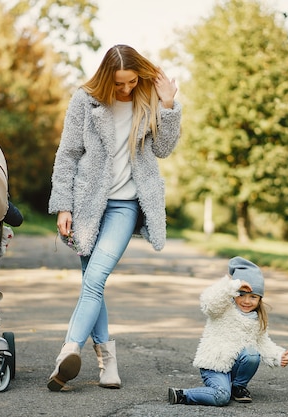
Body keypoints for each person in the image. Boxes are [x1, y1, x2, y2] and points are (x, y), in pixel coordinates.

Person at [47, 44, 182, 391]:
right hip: (87, 204)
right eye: (119, 83)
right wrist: (64, 205)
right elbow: (68, 154)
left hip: (126, 205)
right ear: (107, 78)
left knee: (95, 278)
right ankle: (107, 363)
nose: (125, 89)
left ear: (140, 76)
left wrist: (168, 105)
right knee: (93, 281)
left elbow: (164, 149)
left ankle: (69, 350)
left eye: (132, 81)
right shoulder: (85, 100)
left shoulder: (149, 98)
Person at [168, 256, 288, 406]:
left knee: (252, 354)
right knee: (221, 397)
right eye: (241, 295)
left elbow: (263, 343)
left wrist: (277, 356)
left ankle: (238, 387)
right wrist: (231, 286)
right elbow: (209, 301)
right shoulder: (223, 308)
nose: (246, 301)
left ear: (260, 299)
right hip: (215, 366)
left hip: (234, 366)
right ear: (234, 293)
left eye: (253, 297)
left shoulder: (256, 319)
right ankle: (183, 395)